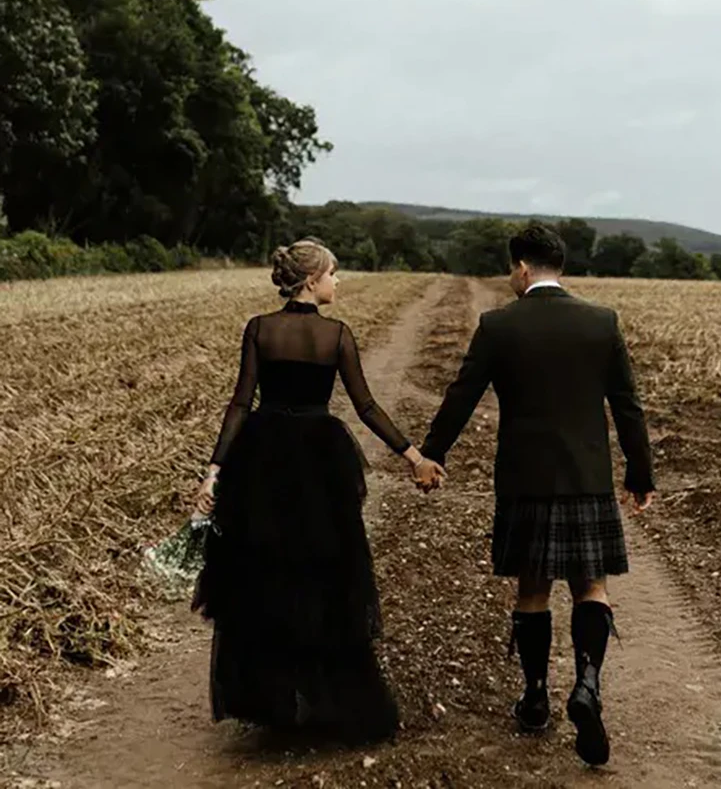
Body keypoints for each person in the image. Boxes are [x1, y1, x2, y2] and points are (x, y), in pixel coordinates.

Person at [417, 223, 655, 766]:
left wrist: (433, 454)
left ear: (522, 268)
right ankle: (588, 685)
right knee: (590, 586)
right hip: (587, 478)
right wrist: (640, 476)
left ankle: (535, 698)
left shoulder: (499, 325)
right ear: (559, 267)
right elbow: (628, 406)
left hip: (526, 479)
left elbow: (462, 395)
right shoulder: (601, 322)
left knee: (532, 590)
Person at [192, 238, 444, 745]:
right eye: (333, 273)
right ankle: (327, 702)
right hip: (320, 459)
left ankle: (276, 702)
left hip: (262, 457)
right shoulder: (336, 337)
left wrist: (215, 470)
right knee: (325, 575)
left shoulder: (260, 330)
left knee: (268, 575)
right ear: (311, 281)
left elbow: (240, 404)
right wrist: (414, 457)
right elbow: (367, 407)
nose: (338, 281)